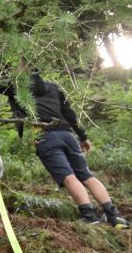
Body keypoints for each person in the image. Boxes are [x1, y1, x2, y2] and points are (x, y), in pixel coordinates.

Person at [28, 72, 128, 228]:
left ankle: (90, 216)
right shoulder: (53, 87)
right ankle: (113, 216)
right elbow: (69, 114)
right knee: (86, 175)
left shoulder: (16, 86)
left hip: (44, 136)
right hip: (67, 135)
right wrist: (83, 136)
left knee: (69, 177)